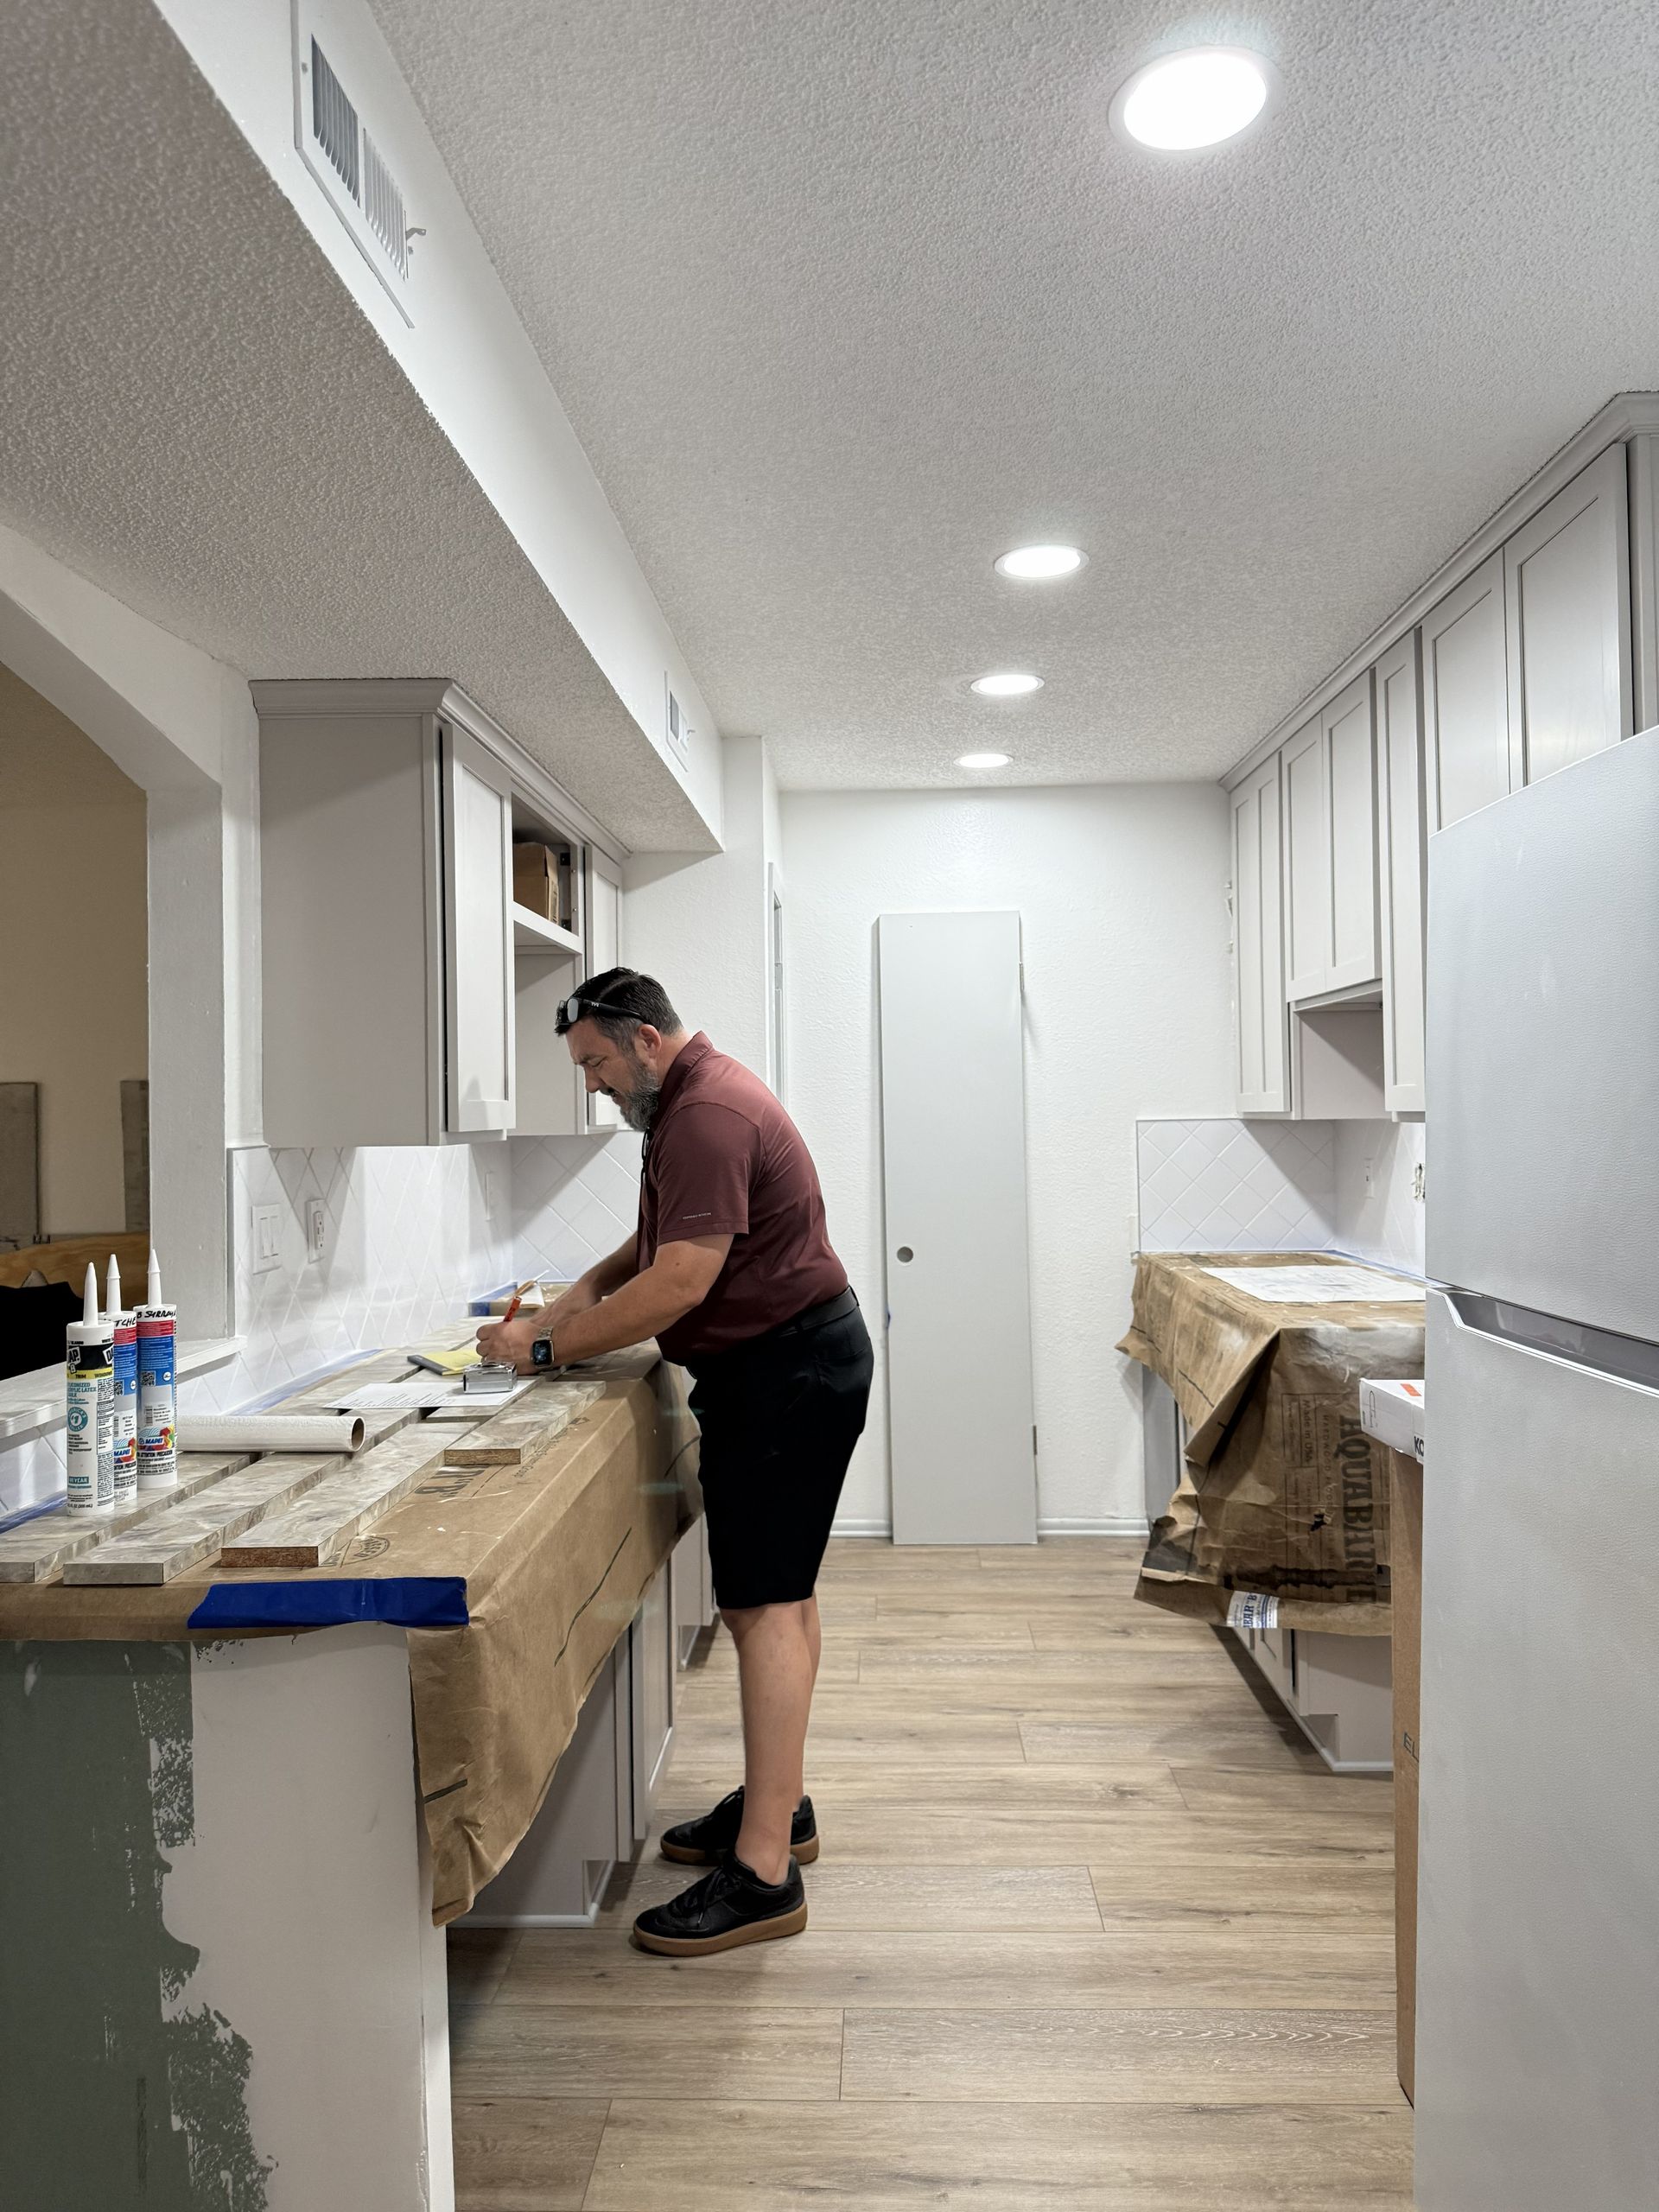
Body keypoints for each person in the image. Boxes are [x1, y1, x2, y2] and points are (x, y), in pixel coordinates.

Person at [475, 968, 873, 1956]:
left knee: (765, 1606)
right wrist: (571, 1301)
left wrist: (539, 1349)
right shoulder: (692, 1100)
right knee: (776, 1597)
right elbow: (655, 1248)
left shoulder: (704, 1115)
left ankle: (765, 1875)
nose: (593, 1084)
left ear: (645, 1038)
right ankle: (779, 1807)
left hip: (788, 1376)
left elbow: (679, 1287)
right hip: (786, 1369)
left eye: (597, 1063)